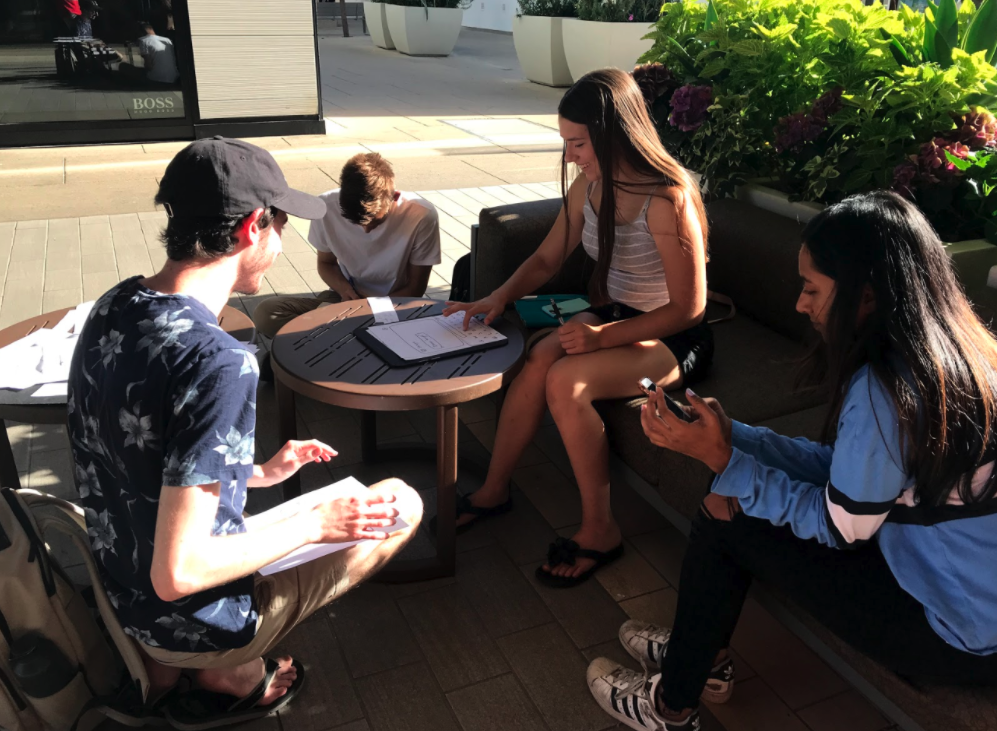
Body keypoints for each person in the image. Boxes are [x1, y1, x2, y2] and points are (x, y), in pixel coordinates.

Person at [586, 191, 997, 731]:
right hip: (964, 595)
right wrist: (737, 438)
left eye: (811, 289)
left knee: (727, 509)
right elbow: (847, 475)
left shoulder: (886, 390)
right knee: (731, 495)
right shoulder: (964, 354)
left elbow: (841, 526)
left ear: (866, 295)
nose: (801, 304)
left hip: (957, 630)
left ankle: (671, 707)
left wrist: (724, 459)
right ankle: (698, 655)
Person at [67, 137, 423, 726]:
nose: (282, 239)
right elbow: (180, 573)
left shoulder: (116, 304)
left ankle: (166, 667)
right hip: (191, 615)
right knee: (403, 503)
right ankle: (226, 667)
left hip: (119, 591)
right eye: (280, 223)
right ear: (253, 226)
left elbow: (139, 456)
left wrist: (254, 472)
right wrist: (318, 523)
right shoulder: (219, 361)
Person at [443, 68, 712, 588]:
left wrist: (600, 338)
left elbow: (689, 310)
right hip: (617, 315)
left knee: (566, 381)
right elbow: (547, 259)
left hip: (672, 338)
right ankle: (494, 490)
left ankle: (601, 530)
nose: (570, 156)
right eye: (566, 142)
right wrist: (497, 297)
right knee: (540, 355)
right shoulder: (590, 186)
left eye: (579, 143)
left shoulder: (667, 198)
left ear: (615, 135)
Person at [251, 152, 441, 345]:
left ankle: (332, 338)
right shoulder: (326, 206)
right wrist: (345, 290)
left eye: (376, 222)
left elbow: (415, 289)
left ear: (395, 197)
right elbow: (326, 264)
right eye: (354, 222)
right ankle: (347, 338)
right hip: (345, 297)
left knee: (329, 326)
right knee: (266, 314)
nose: (366, 230)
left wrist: (368, 308)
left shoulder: (421, 215)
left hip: (393, 304)